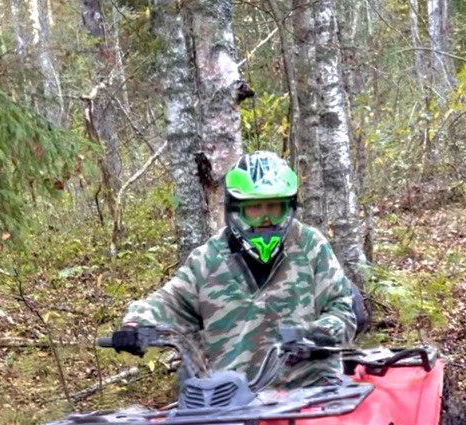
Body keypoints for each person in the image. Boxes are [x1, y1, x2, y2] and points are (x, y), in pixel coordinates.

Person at [120, 150, 357, 386]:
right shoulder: (208, 259)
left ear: (288, 207)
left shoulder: (310, 246)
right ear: (236, 209)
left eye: (273, 207)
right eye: (255, 209)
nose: (265, 219)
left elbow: (342, 310)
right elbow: (169, 302)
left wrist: (316, 334)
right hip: (233, 403)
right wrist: (135, 324)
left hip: (310, 394)